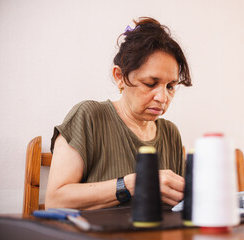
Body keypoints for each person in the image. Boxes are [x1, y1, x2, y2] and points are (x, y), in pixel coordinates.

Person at [45, 17, 192, 210]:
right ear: (120, 77)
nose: (163, 97)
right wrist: (134, 184)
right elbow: (56, 201)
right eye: (150, 83)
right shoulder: (89, 117)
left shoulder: (170, 133)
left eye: (171, 86)